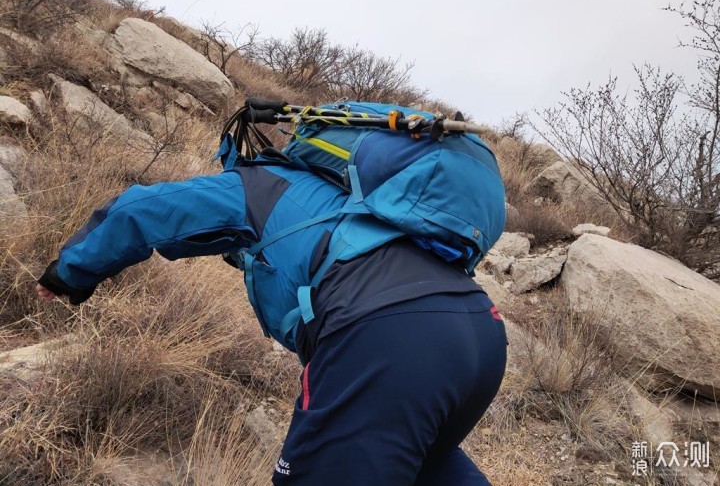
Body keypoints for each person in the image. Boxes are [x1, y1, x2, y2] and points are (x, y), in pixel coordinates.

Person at [36, 151, 507, 485]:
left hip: (387, 335)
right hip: (481, 331)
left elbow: (146, 209)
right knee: (426, 462)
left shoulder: (255, 185)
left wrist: (70, 272)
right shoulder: (353, 205)